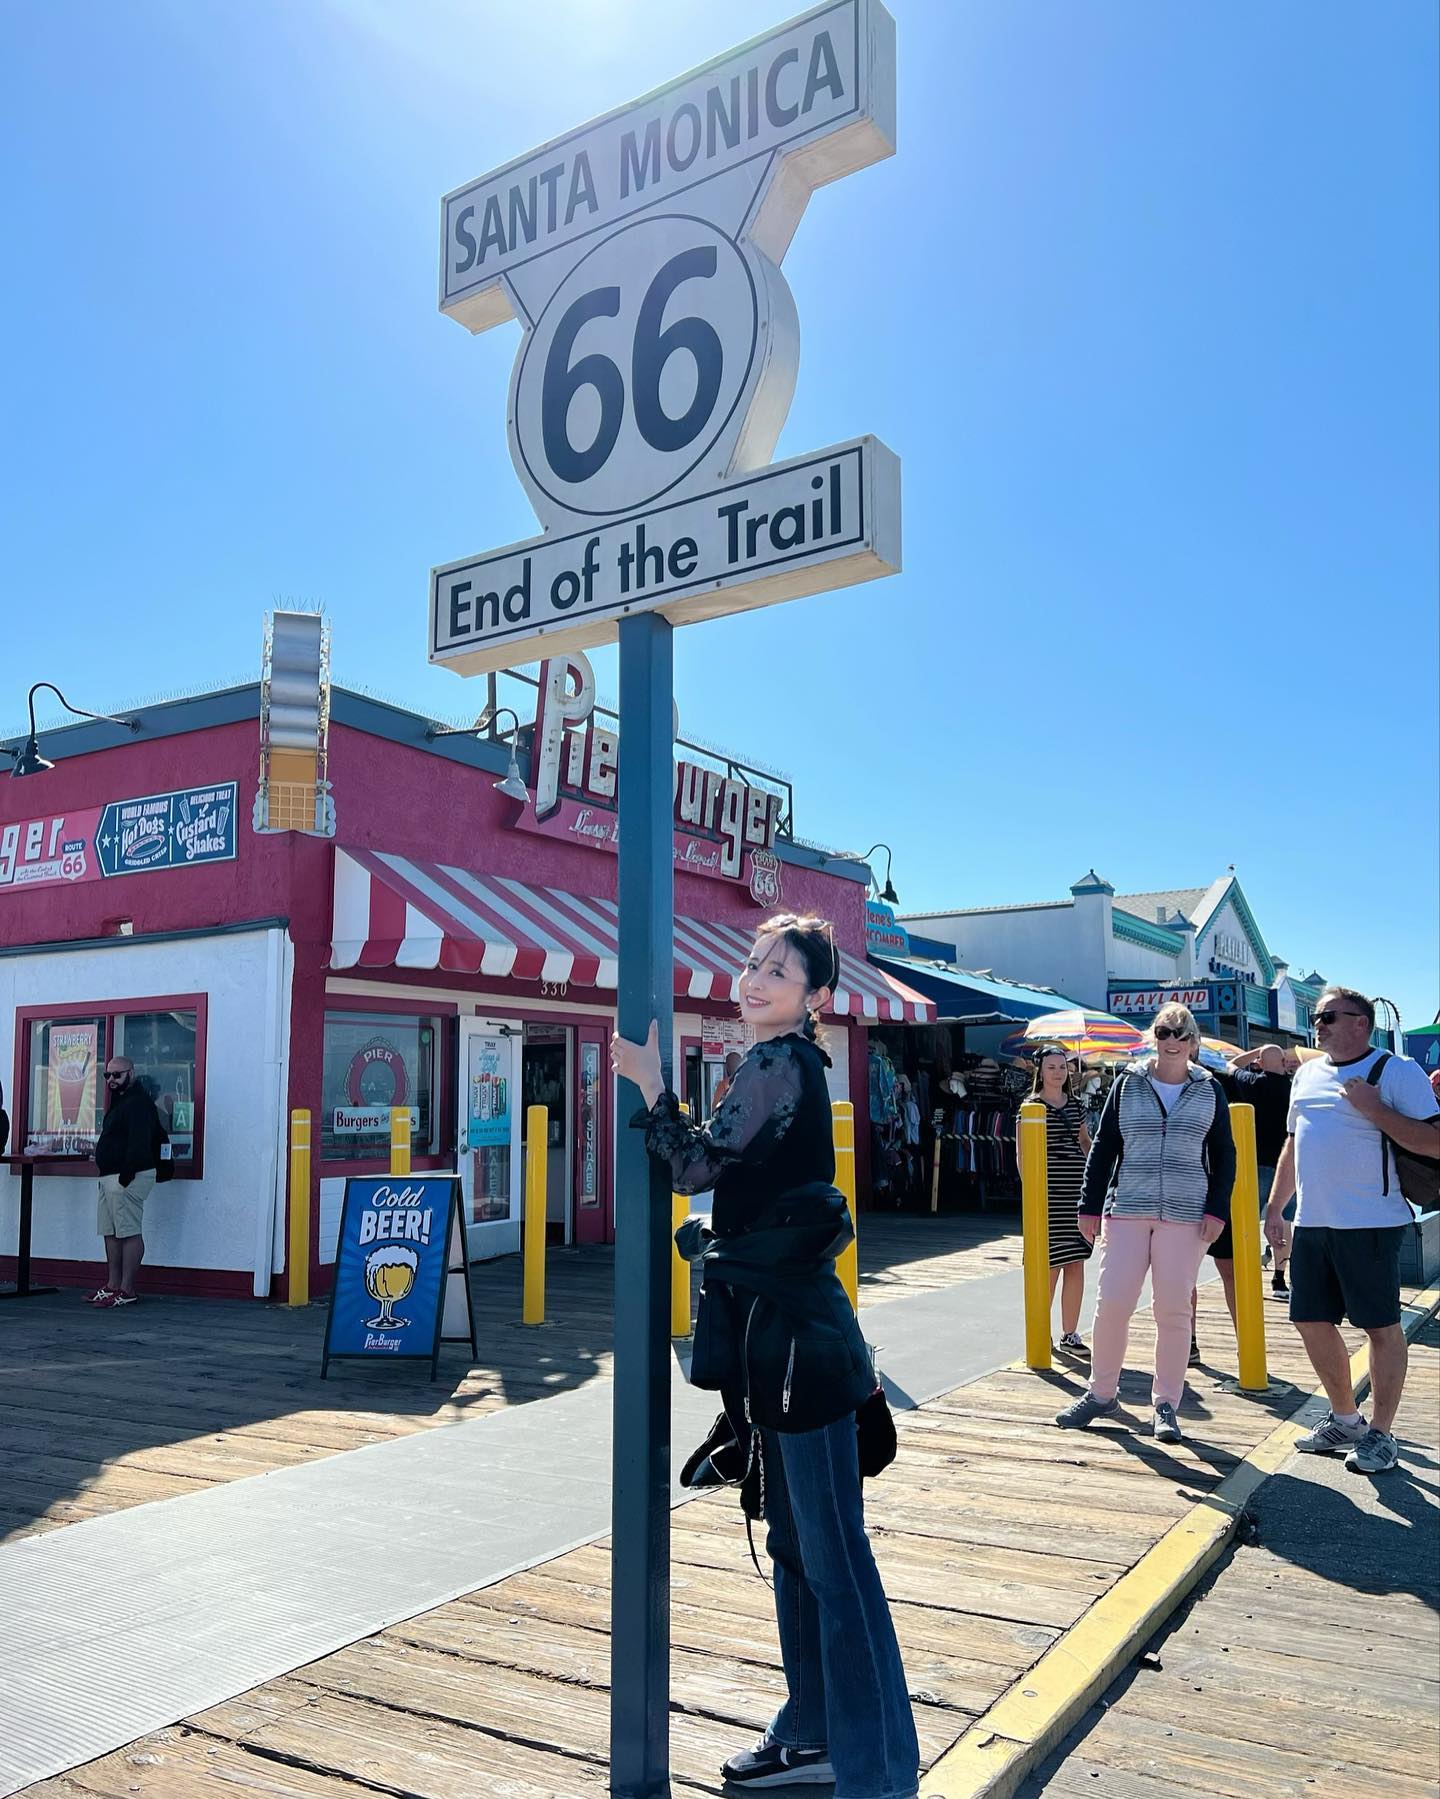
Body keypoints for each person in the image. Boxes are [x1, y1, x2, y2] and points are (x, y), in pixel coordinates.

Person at [612, 913, 919, 1799]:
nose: (754, 979)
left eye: (777, 971)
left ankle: (878, 1774)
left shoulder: (779, 1062)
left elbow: (695, 1167)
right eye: (751, 962)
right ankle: (813, 1733)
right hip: (776, 1343)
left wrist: (652, 1085)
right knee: (794, 1546)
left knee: (832, 1560)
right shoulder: (781, 1063)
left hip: (800, 1348)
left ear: (813, 996)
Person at [1266, 987, 1440, 1475]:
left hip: (1372, 1224)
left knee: (1380, 1329)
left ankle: (1382, 1435)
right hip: (1314, 1223)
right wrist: (1276, 1207)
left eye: (1328, 1017)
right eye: (1315, 1017)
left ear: (1361, 1023)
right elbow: (1293, 1144)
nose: (1317, 1025)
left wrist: (1373, 1108)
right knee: (1309, 1320)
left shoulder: (1395, 1071)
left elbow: (1434, 1141)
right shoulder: (1305, 1075)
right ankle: (1346, 1418)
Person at [1055, 1004, 1234, 1445]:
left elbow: (1225, 1154)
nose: (1171, 1040)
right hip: (1128, 1208)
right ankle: (1101, 1393)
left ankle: (1166, 1403)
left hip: (1186, 1214)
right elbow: (1104, 1146)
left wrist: (1217, 1210)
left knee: (1173, 1309)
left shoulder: (1211, 1090)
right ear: (1153, 1037)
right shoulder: (1128, 1083)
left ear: (1193, 1041)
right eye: (1163, 1031)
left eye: (1180, 1033)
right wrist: (1088, 1206)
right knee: (1113, 1302)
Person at [1198, 1044, 1296, 1348]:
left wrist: (1252, 1054)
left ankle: (1249, 1273)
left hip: (1253, 1164)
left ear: (1259, 1063)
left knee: (1247, 1224)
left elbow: (1229, 1066)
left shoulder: (1252, 1081)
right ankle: (1280, 1276)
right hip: (1285, 1165)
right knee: (1284, 1222)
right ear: (1282, 1062)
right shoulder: (1293, 1088)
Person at [1028, 1045, 1093, 1354]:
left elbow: (1084, 1141)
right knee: (1049, 1263)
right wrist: (1031, 1189)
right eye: (1051, 1066)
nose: (1057, 1071)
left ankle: (1070, 1333)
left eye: (1062, 1066)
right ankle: (1041, 1331)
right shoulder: (1030, 1106)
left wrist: (1097, 1179)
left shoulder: (1077, 1105)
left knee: (1076, 1261)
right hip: (1048, 1190)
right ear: (1040, 1071)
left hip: (1075, 1188)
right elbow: (1022, 1154)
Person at [88, 1055, 163, 1308]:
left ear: (131, 1073)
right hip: (108, 1176)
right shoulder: (120, 1102)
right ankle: (112, 1286)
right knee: (109, 1230)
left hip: (127, 1176)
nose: (111, 1080)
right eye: (107, 1075)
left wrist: (126, 1176)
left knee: (128, 1231)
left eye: (117, 1075)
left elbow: (139, 1142)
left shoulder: (139, 1103)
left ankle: (127, 1289)